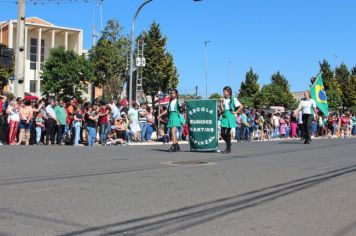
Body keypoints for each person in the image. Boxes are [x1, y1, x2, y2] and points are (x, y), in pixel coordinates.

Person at [219, 86, 243, 153]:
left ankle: (228, 148)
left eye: (224, 91)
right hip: (224, 116)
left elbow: (241, 106)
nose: (223, 93)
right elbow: (222, 110)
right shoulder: (223, 100)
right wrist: (221, 103)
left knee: (227, 133)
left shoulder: (233, 99)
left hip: (230, 116)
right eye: (223, 91)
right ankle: (229, 143)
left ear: (228, 92)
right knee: (222, 133)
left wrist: (236, 112)